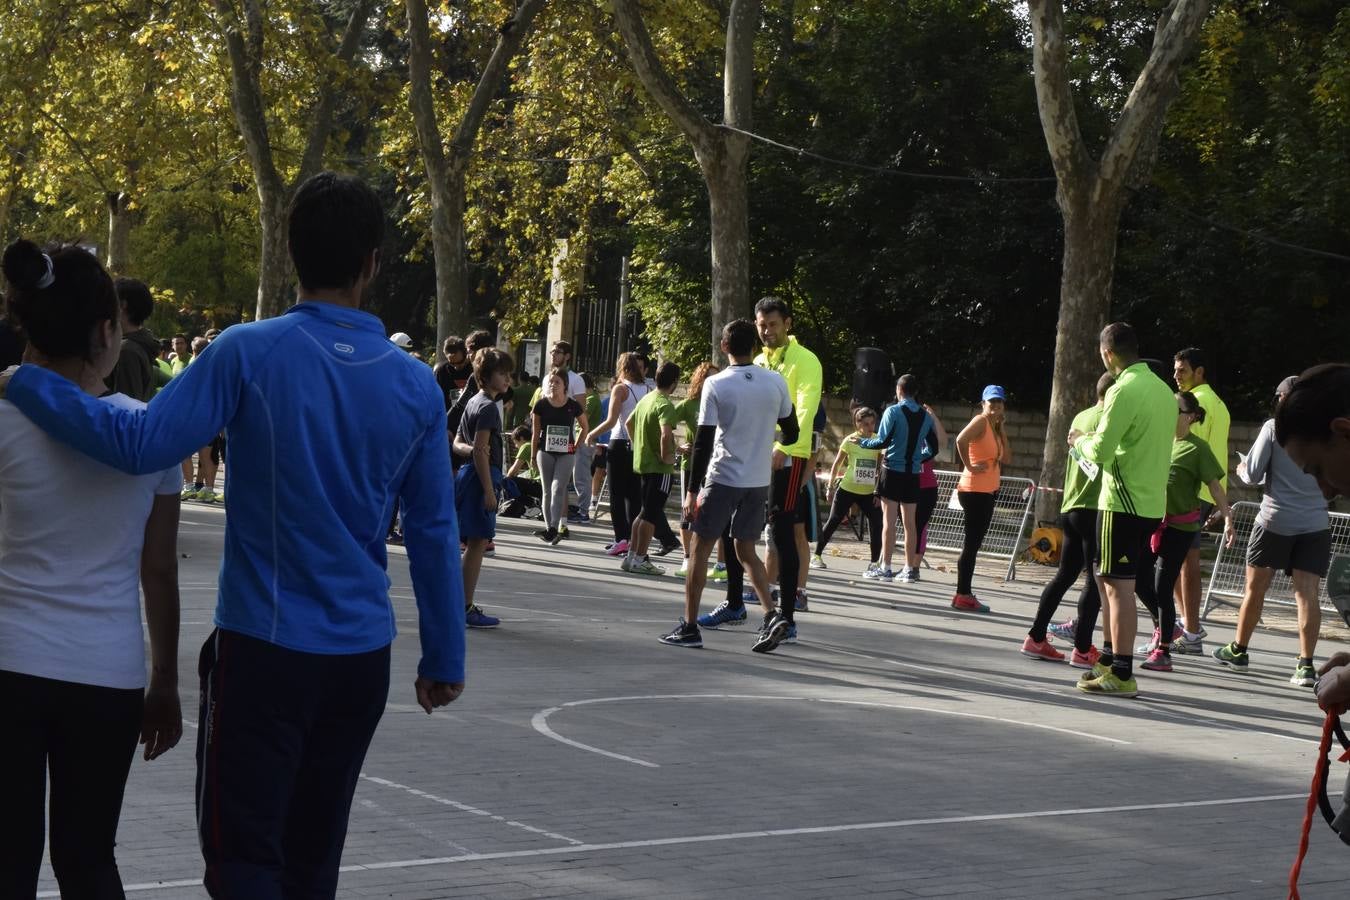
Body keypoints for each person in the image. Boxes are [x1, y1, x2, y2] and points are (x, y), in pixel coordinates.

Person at [1, 172, 466, 895]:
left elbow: (138, 442)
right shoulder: (415, 386)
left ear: (289, 250)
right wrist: (444, 652)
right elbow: (436, 531)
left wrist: (28, 384)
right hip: (359, 657)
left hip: (263, 653)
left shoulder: (248, 352)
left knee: (245, 856)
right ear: (372, 262)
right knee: (315, 859)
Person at [0, 240, 182, 898]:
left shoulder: (2, 416)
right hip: (106, 674)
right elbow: (158, 571)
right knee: (87, 858)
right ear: (107, 330)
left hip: (8, 662)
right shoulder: (151, 433)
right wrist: (164, 680)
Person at [660, 320, 796, 652]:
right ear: (755, 346)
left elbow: (704, 442)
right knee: (745, 549)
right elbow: (791, 432)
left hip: (723, 478)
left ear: (724, 347)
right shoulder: (775, 382)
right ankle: (772, 614)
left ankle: (690, 626)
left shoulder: (716, 384)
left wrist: (692, 490)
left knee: (699, 550)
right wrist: (763, 437)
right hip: (758, 480)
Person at [1068, 322, 1175, 698]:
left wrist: (1080, 440)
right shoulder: (1163, 390)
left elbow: (1100, 451)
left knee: (1117, 587)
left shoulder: (1123, 390)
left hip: (1122, 500)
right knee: (1106, 577)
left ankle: (1123, 670)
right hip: (1148, 501)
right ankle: (1112, 659)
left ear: (1107, 354)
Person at [1212, 376, 1331, 686]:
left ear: (1282, 399)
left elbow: (1252, 474)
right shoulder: (1325, 432)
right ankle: (1305, 665)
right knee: (1308, 594)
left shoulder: (1273, 428)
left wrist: (1240, 469)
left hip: (1275, 521)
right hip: (1315, 523)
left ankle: (1239, 650)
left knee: (1255, 588)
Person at [1132, 391, 1235, 672]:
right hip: (1154, 522)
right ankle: (1164, 627)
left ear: (1189, 417)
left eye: (1174, 409)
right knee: (1140, 580)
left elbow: (1214, 486)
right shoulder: (1160, 442)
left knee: (1163, 586)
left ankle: (1163, 651)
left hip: (1181, 527)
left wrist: (1227, 518)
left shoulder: (1197, 448)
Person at [1027, 374, 1113, 667]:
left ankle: (1036, 637)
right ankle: (1083, 647)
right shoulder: (1110, 418)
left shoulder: (1082, 415)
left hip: (1071, 504)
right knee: (1094, 579)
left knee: (1065, 574)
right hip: (1095, 506)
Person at [754, 297, 823, 618]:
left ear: (788, 324)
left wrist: (784, 445)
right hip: (757, 458)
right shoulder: (757, 362)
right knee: (773, 528)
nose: (766, 331)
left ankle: (794, 597)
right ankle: (767, 590)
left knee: (786, 528)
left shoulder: (805, 360)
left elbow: (805, 409)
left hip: (790, 456)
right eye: (761, 325)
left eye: (773, 324)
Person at [1172, 348, 1230, 647]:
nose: (1176, 375)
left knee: (1183, 561)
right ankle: (1187, 625)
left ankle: (1190, 629)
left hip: (1190, 490)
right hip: (1205, 491)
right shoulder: (1220, 403)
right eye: (1175, 370)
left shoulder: (1197, 403)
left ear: (1200, 372)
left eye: (1182, 370)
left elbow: (1188, 447)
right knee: (1181, 560)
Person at [854, 374, 937, 583]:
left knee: (888, 521)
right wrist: (918, 458)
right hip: (912, 474)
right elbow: (934, 448)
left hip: (891, 470)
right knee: (910, 524)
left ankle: (886, 568)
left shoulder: (893, 411)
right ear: (915, 392)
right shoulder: (926, 417)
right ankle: (909, 569)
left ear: (899, 390)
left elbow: (882, 441)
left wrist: (863, 443)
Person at [456, 347, 515, 629]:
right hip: (482, 478)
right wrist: (490, 490)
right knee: (478, 543)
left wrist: (474, 452)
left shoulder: (472, 401)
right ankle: (464, 606)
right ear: (486, 375)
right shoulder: (489, 407)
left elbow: (458, 443)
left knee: (473, 544)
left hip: (468, 476)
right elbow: (481, 450)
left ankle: (460, 603)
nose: (507, 379)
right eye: (502, 373)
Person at [952, 386, 1012, 612]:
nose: (995, 406)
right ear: (983, 403)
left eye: (999, 402)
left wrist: (1002, 429)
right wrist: (969, 466)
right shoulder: (980, 420)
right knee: (971, 544)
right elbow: (960, 439)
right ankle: (963, 594)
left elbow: (1007, 457)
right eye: (991, 402)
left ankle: (963, 593)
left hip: (986, 491)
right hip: (974, 490)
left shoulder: (994, 427)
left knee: (973, 544)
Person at [585, 352, 650, 557]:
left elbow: (612, 421)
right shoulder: (649, 389)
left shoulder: (620, 389)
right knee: (634, 495)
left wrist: (591, 434)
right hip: (638, 444)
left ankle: (620, 538)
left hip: (620, 442)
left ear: (621, 368)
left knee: (616, 494)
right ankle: (632, 540)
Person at [624, 361, 681, 575]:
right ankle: (639, 558)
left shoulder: (647, 399)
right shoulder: (664, 404)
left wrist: (639, 445)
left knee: (644, 512)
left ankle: (632, 556)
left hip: (643, 462)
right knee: (651, 514)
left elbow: (629, 422)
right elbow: (666, 432)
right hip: (659, 468)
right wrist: (667, 455)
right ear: (675, 382)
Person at [814, 406, 883, 573]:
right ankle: (816, 555)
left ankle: (874, 563)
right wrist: (830, 487)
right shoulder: (850, 440)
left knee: (877, 524)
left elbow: (881, 467)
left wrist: (878, 491)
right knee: (833, 521)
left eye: (872, 423)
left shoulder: (878, 440)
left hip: (868, 492)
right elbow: (837, 464)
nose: (869, 427)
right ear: (857, 424)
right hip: (848, 488)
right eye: (865, 424)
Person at [672, 362, 722, 579]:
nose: (712, 381)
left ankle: (718, 564)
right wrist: (677, 446)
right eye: (708, 377)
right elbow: (662, 422)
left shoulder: (723, 402)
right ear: (699, 380)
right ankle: (687, 558)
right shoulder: (689, 404)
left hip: (717, 466)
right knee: (688, 513)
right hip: (692, 465)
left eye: (715, 377)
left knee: (716, 514)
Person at [530, 367, 587, 545]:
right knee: (547, 490)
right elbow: (535, 432)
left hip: (566, 453)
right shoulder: (541, 404)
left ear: (565, 386)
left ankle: (554, 528)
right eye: (551, 382)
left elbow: (585, 427)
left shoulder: (572, 405)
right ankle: (550, 529)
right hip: (545, 452)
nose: (553, 385)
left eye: (557, 382)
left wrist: (576, 446)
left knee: (558, 488)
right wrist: (532, 455)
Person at [106, 277, 163, 402]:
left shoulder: (127, 350)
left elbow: (126, 406)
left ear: (122, 305)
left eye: (108, 300)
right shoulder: (136, 345)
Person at [569, 372, 602, 524]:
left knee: (582, 478)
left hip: (585, 442)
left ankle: (583, 512)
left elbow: (582, 417)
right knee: (579, 477)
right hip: (581, 440)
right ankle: (582, 509)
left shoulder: (591, 399)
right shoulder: (591, 398)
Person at [433, 334, 471, 410]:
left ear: (466, 354)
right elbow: (437, 399)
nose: (456, 367)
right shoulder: (441, 371)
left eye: (460, 362)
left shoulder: (474, 370)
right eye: (452, 363)